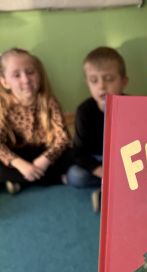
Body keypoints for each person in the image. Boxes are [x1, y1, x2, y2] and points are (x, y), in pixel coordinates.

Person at [0, 48, 71, 194]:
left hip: (43, 153)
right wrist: (19, 164)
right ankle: (51, 178)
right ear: (5, 82)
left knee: (74, 154)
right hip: (16, 156)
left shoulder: (48, 101)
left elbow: (63, 138)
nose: (25, 79)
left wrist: (45, 159)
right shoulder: (3, 106)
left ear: (38, 74)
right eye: (17, 75)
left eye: (30, 72)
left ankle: (22, 181)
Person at [65, 47, 128, 211]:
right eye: (94, 81)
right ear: (88, 84)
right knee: (75, 176)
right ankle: (113, 187)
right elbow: (79, 153)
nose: (102, 86)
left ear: (123, 81)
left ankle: (110, 189)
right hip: (98, 161)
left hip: (126, 161)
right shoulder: (84, 111)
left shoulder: (133, 106)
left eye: (109, 79)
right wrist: (103, 172)